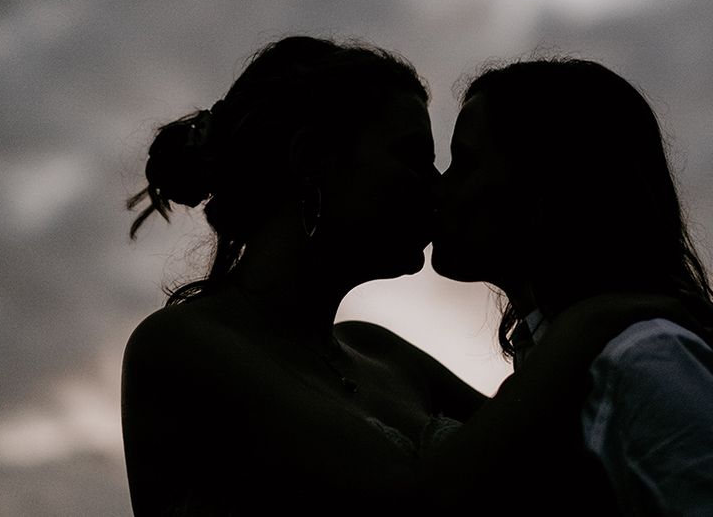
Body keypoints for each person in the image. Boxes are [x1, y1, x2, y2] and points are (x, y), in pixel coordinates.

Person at [123, 38, 690, 515]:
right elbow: (421, 502)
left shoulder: (383, 354)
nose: (437, 186)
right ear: (310, 162)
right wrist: (591, 324)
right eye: (413, 156)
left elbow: (549, 469)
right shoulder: (180, 348)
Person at [431, 57, 713, 514]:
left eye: (464, 164)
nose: (438, 191)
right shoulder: (557, 357)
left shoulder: (643, 359)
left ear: (543, 195)